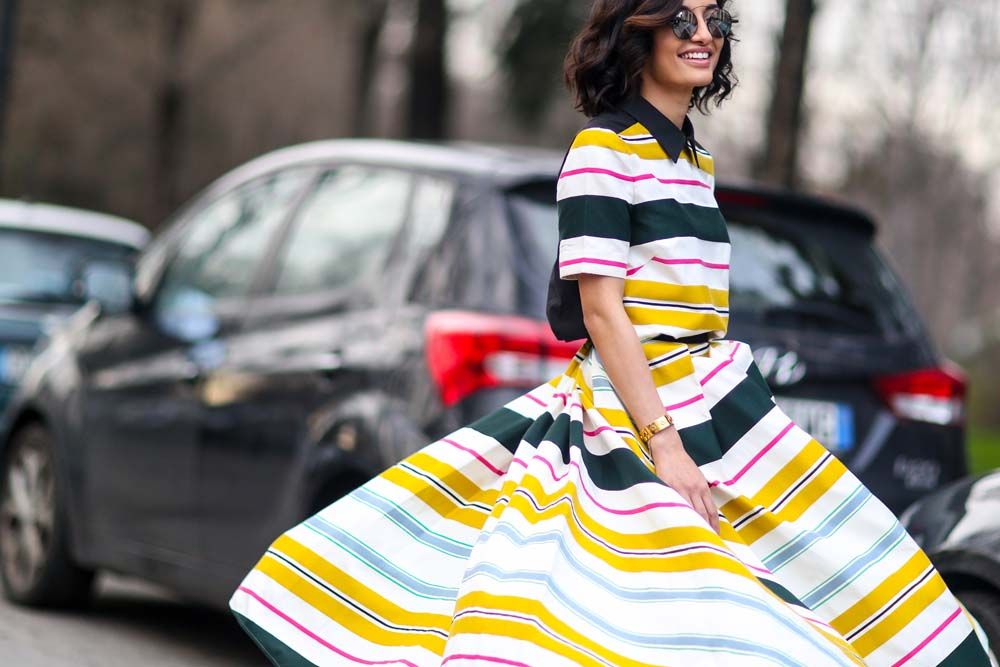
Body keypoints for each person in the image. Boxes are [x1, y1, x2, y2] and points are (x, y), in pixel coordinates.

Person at [229, 1, 992, 665]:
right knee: (632, 615)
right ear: (640, 34)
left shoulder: (694, 159)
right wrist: (665, 443)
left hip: (725, 406)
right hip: (638, 414)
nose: (705, 34)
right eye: (682, 19)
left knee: (852, 583)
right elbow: (602, 311)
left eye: (716, 19)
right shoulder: (603, 149)